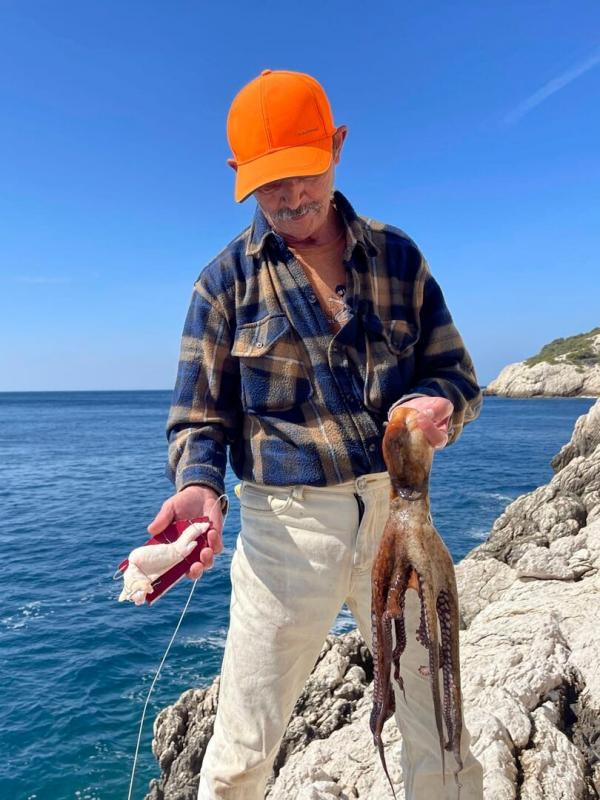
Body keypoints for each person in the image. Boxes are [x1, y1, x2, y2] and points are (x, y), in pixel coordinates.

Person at [148, 69, 484, 800]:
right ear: (240, 178)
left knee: (444, 730)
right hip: (282, 536)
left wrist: (437, 407)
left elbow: (457, 375)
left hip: (401, 516)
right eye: (271, 186)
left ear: (337, 147)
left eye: (306, 173)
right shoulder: (222, 284)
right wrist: (199, 489)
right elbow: (198, 416)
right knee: (240, 754)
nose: (294, 199)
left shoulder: (400, 258)